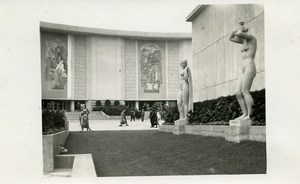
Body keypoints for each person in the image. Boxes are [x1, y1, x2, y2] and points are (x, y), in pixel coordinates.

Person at [229, 21, 257, 121]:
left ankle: (250, 115)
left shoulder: (252, 39)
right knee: (238, 93)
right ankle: (244, 114)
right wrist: (235, 30)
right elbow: (231, 38)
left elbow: (239, 34)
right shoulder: (243, 41)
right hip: (242, 67)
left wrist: (240, 27)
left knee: (245, 91)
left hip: (249, 65)